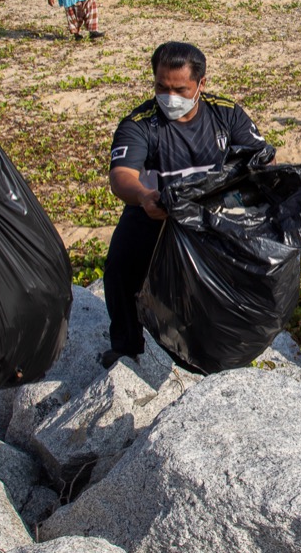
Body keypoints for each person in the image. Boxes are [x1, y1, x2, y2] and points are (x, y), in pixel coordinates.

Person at [102, 42, 270, 364]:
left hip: (211, 218)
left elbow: (261, 158)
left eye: (180, 89)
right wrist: (142, 196)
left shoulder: (226, 114)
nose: (170, 98)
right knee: (119, 270)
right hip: (154, 214)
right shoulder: (140, 124)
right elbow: (121, 175)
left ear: (201, 84)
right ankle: (126, 346)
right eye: (161, 87)